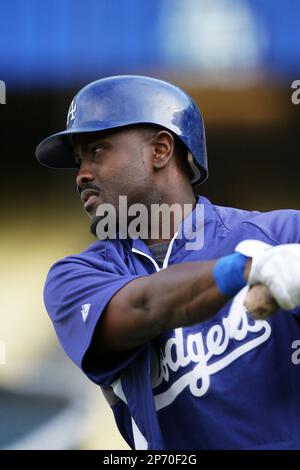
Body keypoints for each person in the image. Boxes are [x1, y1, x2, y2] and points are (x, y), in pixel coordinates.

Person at [36, 75, 300, 450]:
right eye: (78, 161)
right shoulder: (76, 277)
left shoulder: (283, 234)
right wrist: (244, 269)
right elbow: (145, 305)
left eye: (97, 151)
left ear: (160, 150)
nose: (81, 175)